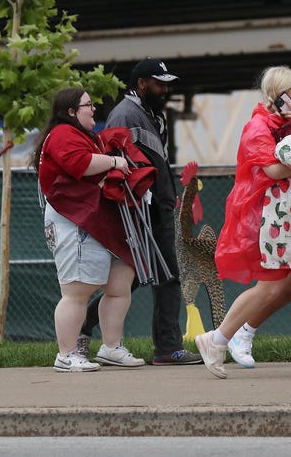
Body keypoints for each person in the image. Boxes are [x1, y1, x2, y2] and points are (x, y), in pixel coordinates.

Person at [196, 66, 291, 379]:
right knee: (269, 287)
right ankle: (218, 339)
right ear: (281, 93)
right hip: (281, 219)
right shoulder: (259, 126)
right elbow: (276, 169)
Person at [77, 58, 203, 366]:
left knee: (139, 278)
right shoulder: (126, 113)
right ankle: (167, 349)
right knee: (161, 276)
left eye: (166, 84)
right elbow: (119, 162)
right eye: (159, 83)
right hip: (141, 210)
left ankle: (84, 326)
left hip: (155, 205)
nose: (164, 89)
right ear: (141, 83)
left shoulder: (148, 113)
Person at [36, 87, 145, 372]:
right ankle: (66, 354)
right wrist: (113, 161)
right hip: (74, 220)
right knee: (77, 290)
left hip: (95, 218)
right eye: (88, 105)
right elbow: (80, 165)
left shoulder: (86, 136)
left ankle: (111, 348)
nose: (94, 109)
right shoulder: (62, 134)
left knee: (119, 284)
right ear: (71, 111)